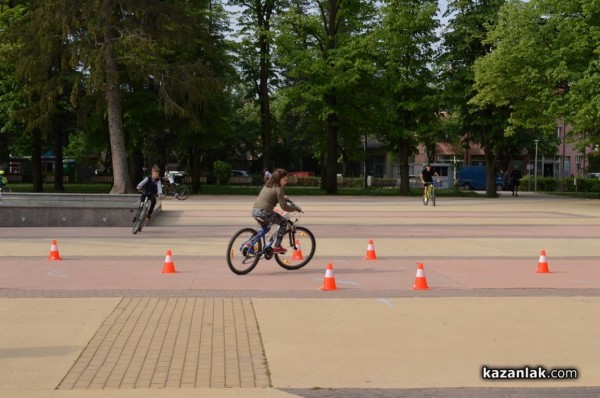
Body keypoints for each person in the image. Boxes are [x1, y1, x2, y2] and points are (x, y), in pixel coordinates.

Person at [252, 168, 302, 254]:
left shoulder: (268, 185)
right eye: (284, 180)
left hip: (255, 211)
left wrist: (283, 197)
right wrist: (295, 208)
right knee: (283, 222)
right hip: (265, 212)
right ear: (279, 179)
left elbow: (272, 195)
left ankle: (250, 243)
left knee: (266, 228)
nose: (286, 182)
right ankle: (277, 246)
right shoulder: (278, 189)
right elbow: (284, 207)